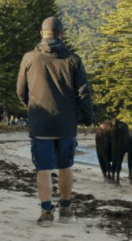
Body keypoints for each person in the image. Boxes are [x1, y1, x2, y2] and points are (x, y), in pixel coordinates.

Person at [17, 16, 94, 227]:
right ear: (61, 35)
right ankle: (66, 209)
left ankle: (46, 212)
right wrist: (88, 119)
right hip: (66, 123)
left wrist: (33, 107)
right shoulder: (73, 60)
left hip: (40, 121)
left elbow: (21, 91)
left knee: (43, 169)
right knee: (65, 166)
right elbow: (84, 93)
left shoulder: (29, 58)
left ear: (42, 34)